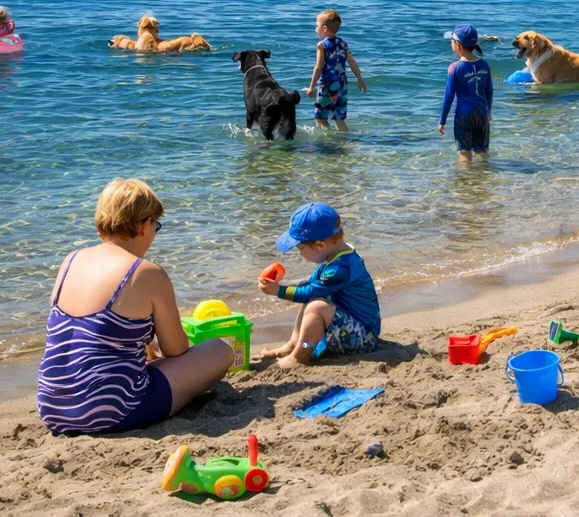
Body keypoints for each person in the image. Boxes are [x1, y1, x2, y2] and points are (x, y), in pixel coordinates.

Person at [37, 179, 232, 435]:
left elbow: (96, 333)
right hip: (113, 410)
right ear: (142, 225)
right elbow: (176, 349)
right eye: (156, 225)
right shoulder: (146, 272)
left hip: (52, 408)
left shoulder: (70, 260)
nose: (154, 233)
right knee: (220, 350)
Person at [257, 203, 380, 368]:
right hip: (348, 328)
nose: (300, 253)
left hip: (364, 338)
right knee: (310, 294)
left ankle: (301, 354)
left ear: (320, 246)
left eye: (300, 248)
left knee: (315, 306)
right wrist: (281, 284)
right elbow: (309, 285)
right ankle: (294, 344)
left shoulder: (341, 268)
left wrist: (278, 291)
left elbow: (309, 293)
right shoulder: (337, 254)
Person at [439, 23, 493, 161]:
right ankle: (485, 175)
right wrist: (488, 111)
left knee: (464, 153)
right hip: (481, 113)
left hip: (464, 115)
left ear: (458, 45)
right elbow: (489, 90)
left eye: (452, 41)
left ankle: (467, 180)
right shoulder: (484, 64)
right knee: (482, 151)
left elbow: (449, 95)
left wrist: (442, 120)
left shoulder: (454, 68)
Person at [306, 9, 367, 133]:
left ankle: (330, 141)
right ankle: (346, 139)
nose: (315, 28)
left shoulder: (322, 46)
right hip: (342, 85)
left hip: (327, 85)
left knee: (320, 118)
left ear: (324, 29)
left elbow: (318, 67)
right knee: (339, 118)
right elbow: (352, 62)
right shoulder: (343, 44)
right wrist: (360, 79)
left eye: (316, 25)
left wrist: (311, 87)